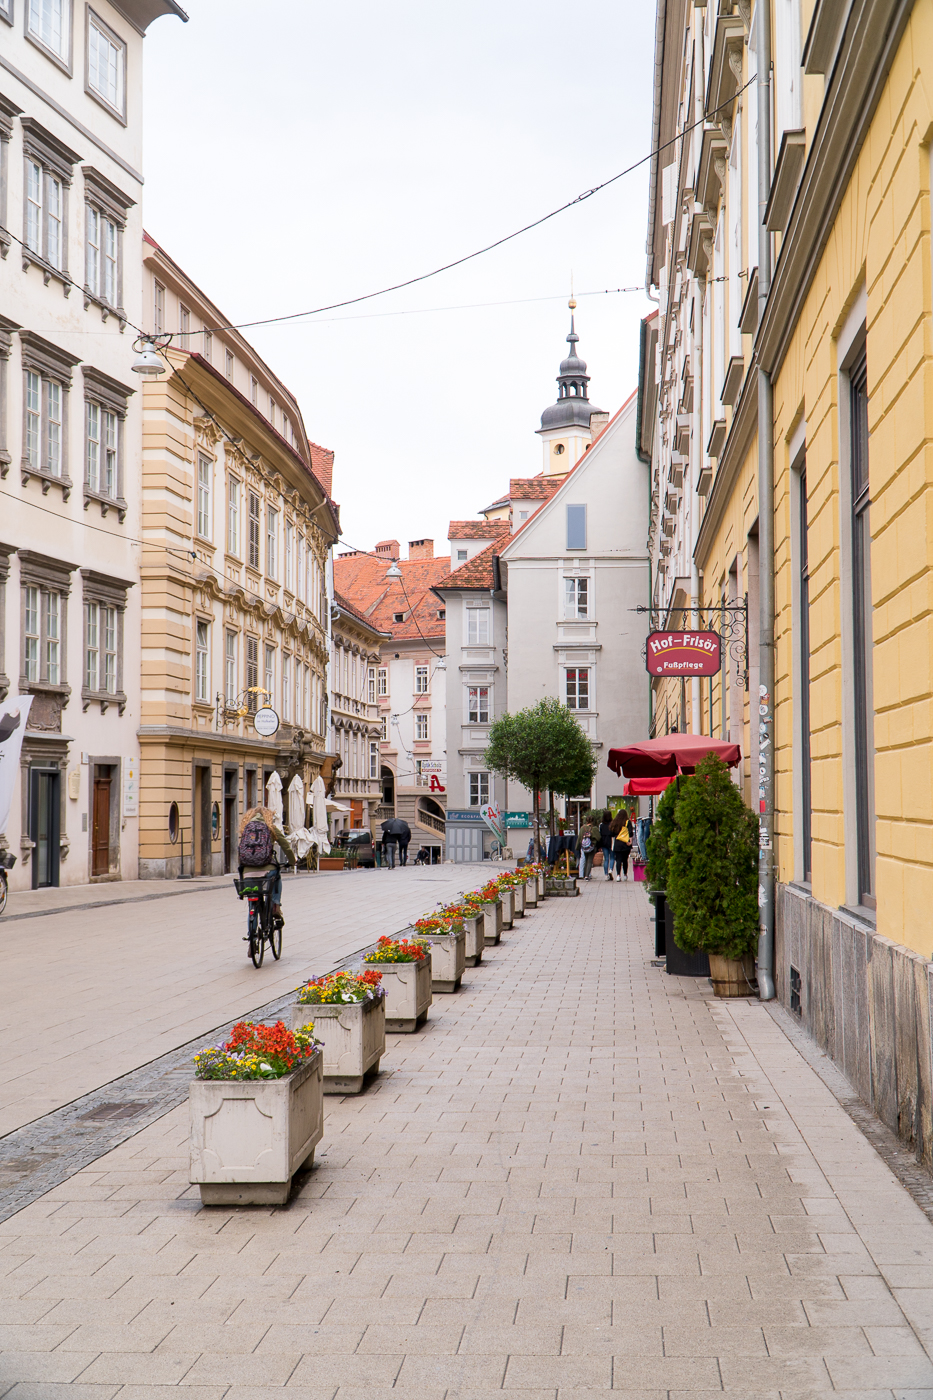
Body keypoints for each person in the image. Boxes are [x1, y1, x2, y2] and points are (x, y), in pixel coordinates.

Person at [237, 805, 291, 924]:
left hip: (247, 871)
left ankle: (252, 935)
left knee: (252, 899)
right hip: (268, 870)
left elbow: (241, 850)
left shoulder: (246, 829)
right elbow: (285, 845)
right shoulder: (271, 828)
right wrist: (293, 861)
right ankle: (275, 905)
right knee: (276, 875)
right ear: (268, 816)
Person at [611, 808, 634, 882]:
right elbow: (630, 833)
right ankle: (625, 875)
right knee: (625, 860)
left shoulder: (615, 822)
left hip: (618, 843)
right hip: (625, 843)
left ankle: (618, 875)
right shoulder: (627, 822)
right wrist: (630, 842)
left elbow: (612, 833)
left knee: (618, 860)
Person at [598, 809, 615, 881]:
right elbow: (614, 834)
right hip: (611, 842)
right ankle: (610, 869)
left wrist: (599, 845)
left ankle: (606, 874)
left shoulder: (601, 825)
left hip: (604, 843)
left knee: (606, 859)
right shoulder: (612, 824)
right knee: (612, 858)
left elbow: (600, 835)